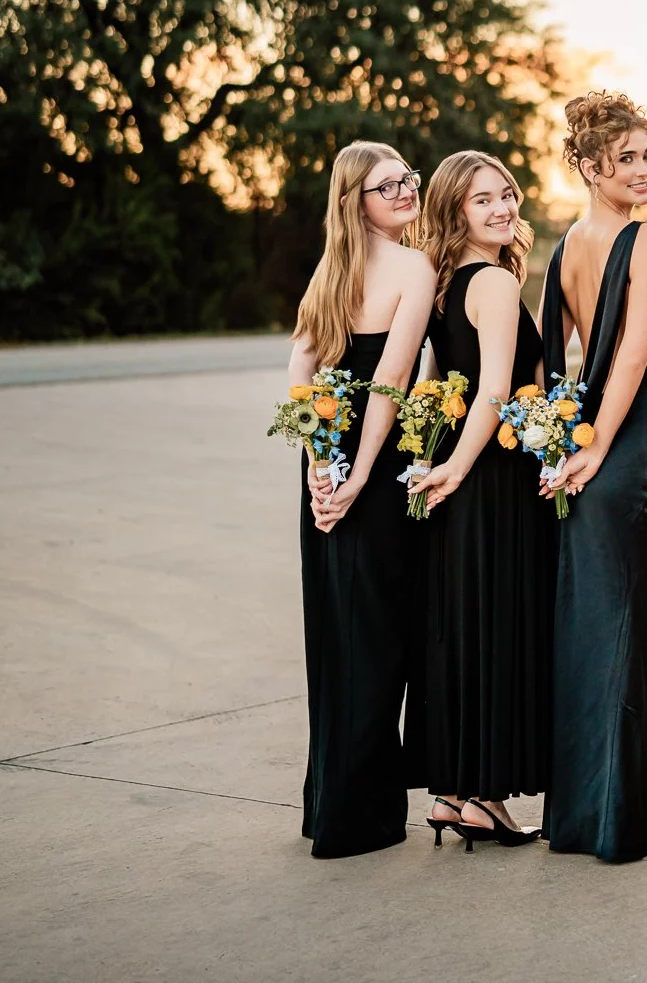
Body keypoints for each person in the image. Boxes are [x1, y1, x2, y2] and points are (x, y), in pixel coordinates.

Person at [539, 92, 647, 863]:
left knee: (590, 630)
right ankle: (617, 826)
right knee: (625, 630)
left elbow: (560, 359)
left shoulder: (565, 245)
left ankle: (577, 821)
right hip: (620, 451)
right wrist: (596, 445)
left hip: (585, 441)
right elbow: (632, 352)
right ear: (589, 166)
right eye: (627, 158)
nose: (644, 169)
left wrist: (564, 433)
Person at [289, 141, 434, 858]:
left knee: (339, 631)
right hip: (371, 470)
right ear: (358, 201)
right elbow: (392, 381)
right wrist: (348, 476)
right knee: (377, 637)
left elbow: (302, 376)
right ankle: (362, 815)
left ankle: (330, 805)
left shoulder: (332, 269)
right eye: (388, 185)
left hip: (332, 460)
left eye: (408, 178)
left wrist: (319, 459)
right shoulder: (413, 266)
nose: (406, 190)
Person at [409, 151, 551, 851]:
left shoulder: (440, 283)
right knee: (496, 628)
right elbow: (496, 387)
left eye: (506, 196)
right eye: (481, 201)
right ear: (455, 212)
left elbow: (441, 380)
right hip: (489, 476)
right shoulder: (492, 282)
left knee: (463, 627)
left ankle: (452, 793)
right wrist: (462, 468)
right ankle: (483, 797)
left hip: (455, 472)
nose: (501, 210)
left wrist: (432, 461)